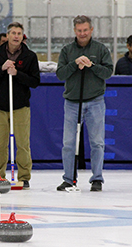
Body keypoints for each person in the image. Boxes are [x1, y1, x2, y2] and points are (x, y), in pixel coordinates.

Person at [56, 15, 113, 192]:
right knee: (68, 143)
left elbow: (108, 72)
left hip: (95, 101)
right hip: (72, 102)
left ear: (91, 30)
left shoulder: (100, 49)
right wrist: (74, 64)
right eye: (79, 30)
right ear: (74, 31)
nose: (82, 33)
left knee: (97, 142)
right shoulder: (67, 50)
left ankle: (97, 178)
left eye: (85, 30)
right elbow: (60, 74)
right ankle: (69, 178)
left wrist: (91, 65)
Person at [0, 22, 40, 189]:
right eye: (13, 33)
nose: (16, 36)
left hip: (21, 106)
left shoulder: (29, 56)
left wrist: (17, 74)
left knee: (22, 143)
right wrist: (1, 69)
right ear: (7, 36)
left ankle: (24, 176)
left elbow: (35, 81)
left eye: (19, 33)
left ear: (23, 36)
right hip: (0, 106)